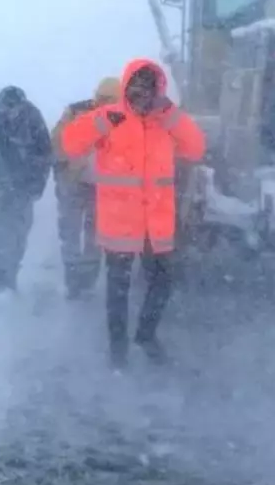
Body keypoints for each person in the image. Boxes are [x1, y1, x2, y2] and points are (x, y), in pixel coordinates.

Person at [61, 58, 205, 366]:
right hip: (119, 226)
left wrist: (171, 114)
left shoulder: (166, 122)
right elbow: (71, 145)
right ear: (127, 89)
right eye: (137, 91)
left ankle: (146, 335)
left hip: (157, 227)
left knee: (163, 283)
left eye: (149, 91)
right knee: (118, 293)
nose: (142, 98)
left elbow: (196, 148)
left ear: (158, 92)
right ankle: (118, 351)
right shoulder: (109, 118)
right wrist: (101, 121)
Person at [0, 85, 52, 292]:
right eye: (6, 108)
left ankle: (12, 274)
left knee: (20, 233)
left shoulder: (33, 117)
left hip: (24, 187)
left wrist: (36, 187)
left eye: (14, 108)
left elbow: (45, 153)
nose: (10, 112)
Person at [51, 77, 121, 299]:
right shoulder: (76, 113)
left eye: (110, 100)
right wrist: (67, 167)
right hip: (74, 183)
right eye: (102, 98)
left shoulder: (125, 120)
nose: (104, 103)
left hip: (103, 188)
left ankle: (88, 281)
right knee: (70, 232)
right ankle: (72, 281)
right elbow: (57, 143)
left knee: (95, 237)